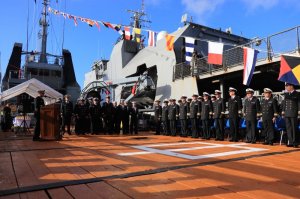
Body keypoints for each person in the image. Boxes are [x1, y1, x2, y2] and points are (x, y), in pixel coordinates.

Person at [281, 82, 300, 148]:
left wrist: (299, 112)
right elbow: (284, 103)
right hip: (287, 113)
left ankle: (295, 142)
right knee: (288, 128)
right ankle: (291, 142)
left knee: (294, 128)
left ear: (291, 86)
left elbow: (299, 103)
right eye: (286, 86)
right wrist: (283, 111)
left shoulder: (297, 93)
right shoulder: (286, 94)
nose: (286, 87)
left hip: (294, 113)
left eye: (287, 86)